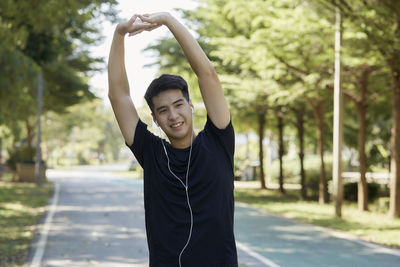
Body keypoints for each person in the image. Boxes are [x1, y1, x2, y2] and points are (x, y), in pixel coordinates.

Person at [108, 12, 238, 267]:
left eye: (179, 105)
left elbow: (207, 74)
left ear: (191, 106)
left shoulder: (218, 140)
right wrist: (119, 34)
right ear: (155, 118)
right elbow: (119, 96)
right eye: (163, 110)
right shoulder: (151, 152)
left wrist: (168, 20)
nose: (173, 115)